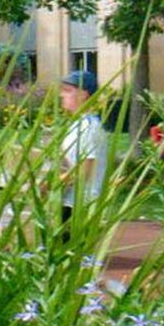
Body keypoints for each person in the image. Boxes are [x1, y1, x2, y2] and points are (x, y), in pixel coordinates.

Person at [60, 70, 109, 217]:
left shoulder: (88, 127)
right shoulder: (77, 125)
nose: (62, 95)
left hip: (80, 204)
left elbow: (84, 171)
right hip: (70, 201)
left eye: (68, 91)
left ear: (84, 94)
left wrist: (49, 185)